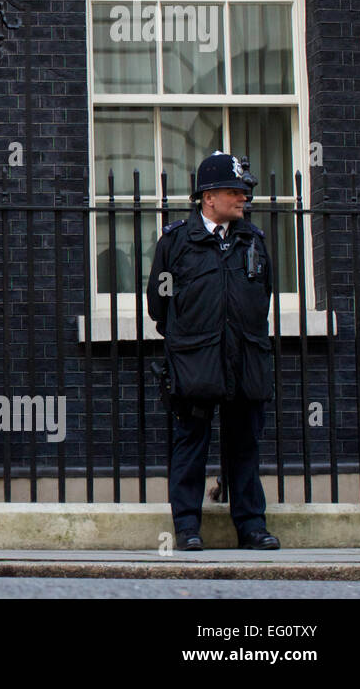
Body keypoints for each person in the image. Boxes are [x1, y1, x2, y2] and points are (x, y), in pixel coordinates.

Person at [147, 151, 280, 551]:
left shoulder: (251, 240)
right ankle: (187, 527)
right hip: (195, 362)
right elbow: (159, 304)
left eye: (244, 192)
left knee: (245, 448)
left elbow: (264, 296)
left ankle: (252, 527)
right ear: (208, 197)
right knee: (191, 446)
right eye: (235, 192)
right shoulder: (176, 242)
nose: (244, 199)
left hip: (245, 359)